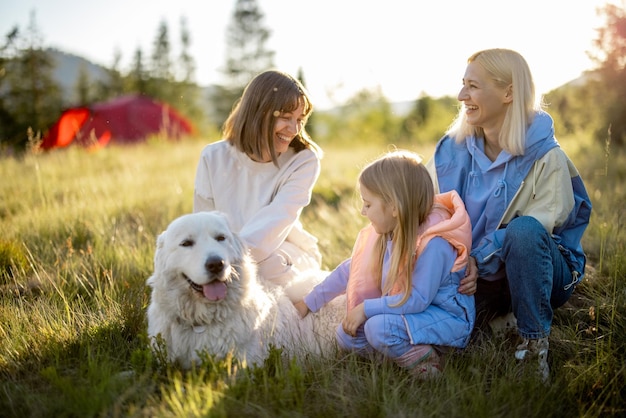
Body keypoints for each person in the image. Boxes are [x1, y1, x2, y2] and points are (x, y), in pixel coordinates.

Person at [426, 48, 592, 381]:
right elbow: (429, 214)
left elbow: (540, 229)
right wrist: (457, 262)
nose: (461, 95)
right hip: (475, 278)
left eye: (473, 86)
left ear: (509, 92)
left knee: (524, 231)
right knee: (452, 342)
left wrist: (476, 257)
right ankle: (490, 323)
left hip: (543, 273)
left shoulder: (547, 156)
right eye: (462, 85)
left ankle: (532, 349)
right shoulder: (451, 150)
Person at [294, 150, 475, 378]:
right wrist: (309, 302)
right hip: (412, 316)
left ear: (394, 207)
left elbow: (417, 300)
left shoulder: (434, 245)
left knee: (377, 327)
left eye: (368, 204)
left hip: (446, 321)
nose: (362, 211)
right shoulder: (387, 235)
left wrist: (366, 309)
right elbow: (351, 270)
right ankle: (396, 352)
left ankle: (428, 362)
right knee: (346, 335)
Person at [193, 70, 323, 286]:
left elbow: (276, 220)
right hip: (224, 257)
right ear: (260, 112)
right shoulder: (213, 157)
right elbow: (203, 223)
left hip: (282, 252)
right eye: (285, 117)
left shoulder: (303, 160)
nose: (294, 129)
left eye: (300, 119)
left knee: (264, 266)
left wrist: (227, 261)